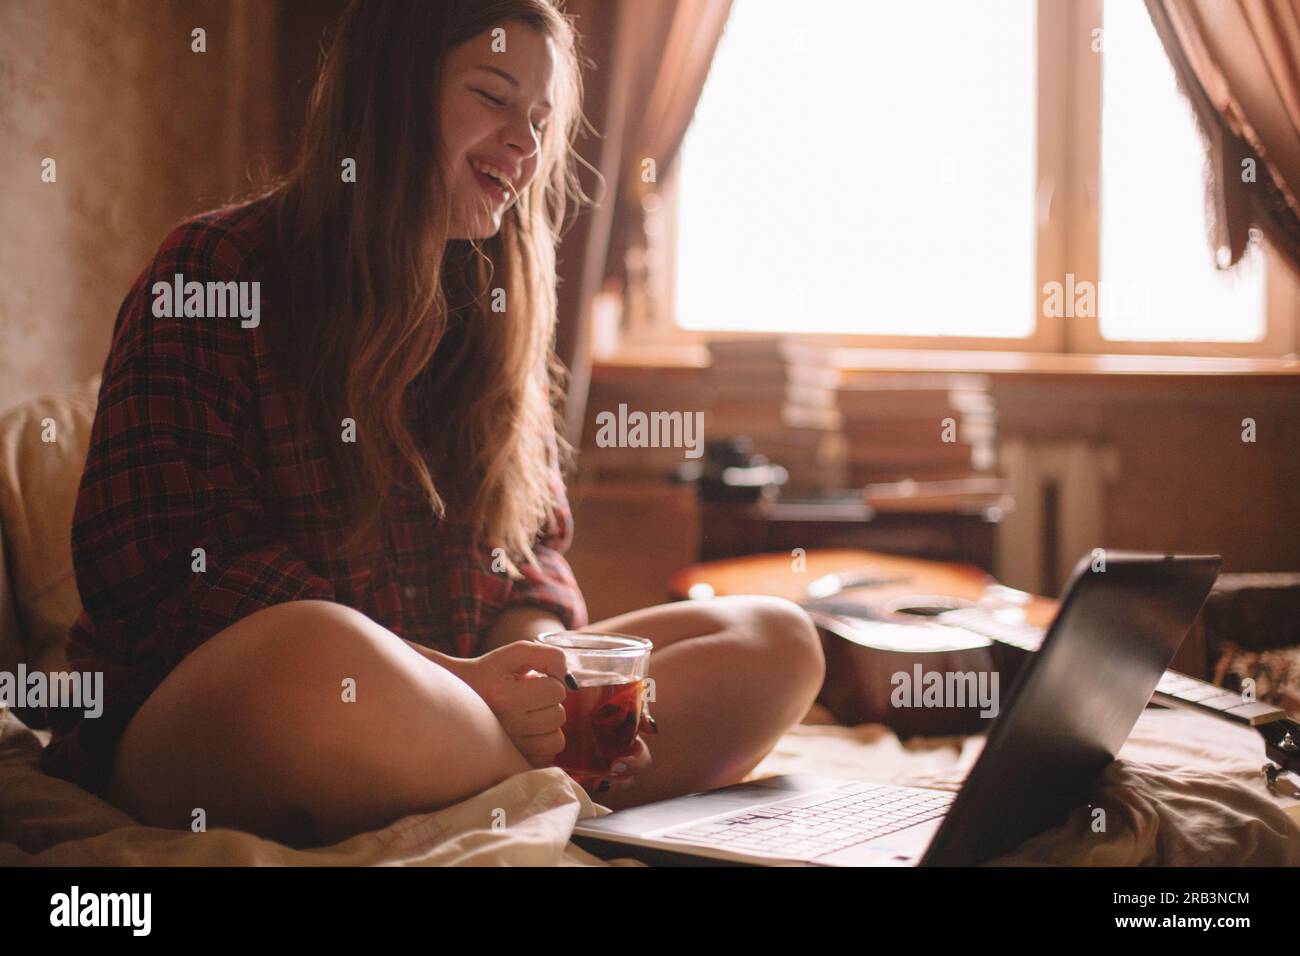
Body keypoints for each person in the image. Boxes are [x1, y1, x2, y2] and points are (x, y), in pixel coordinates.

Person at [41, 0, 824, 848]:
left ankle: (513, 779)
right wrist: (457, 680)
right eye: (494, 97)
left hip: (448, 708)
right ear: (392, 90)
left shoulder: (493, 308)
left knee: (776, 639)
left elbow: (530, 559)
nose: (525, 144)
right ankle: (550, 786)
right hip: (226, 724)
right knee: (320, 654)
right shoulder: (211, 271)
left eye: (540, 120)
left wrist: (543, 667)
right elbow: (161, 582)